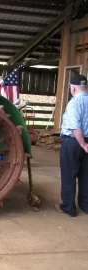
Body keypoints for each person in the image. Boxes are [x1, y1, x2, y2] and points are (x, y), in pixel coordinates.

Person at [56, 74, 88, 217]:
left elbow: (75, 127)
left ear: (73, 88)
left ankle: (68, 207)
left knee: (69, 174)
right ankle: (85, 205)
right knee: (86, 174)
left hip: (74, 142)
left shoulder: (74, 103)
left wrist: (82, 144)